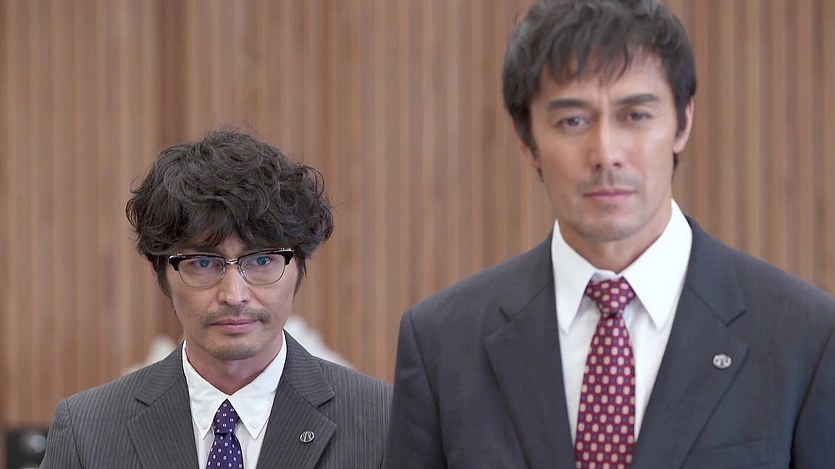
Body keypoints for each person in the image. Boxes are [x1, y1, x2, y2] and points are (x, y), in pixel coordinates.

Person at [384, 0, 835, 468]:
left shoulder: (805, 339)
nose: (605, 153)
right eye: (573, 121)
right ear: (527, 139)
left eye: (635, 115)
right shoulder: (442, 344)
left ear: (682, 122)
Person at [41, 130, 391, 468]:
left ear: (300, 263)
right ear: (158, 270)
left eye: (261, 260)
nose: (234, 295)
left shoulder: (381, 422)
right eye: (204, 263)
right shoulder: (87, 431)